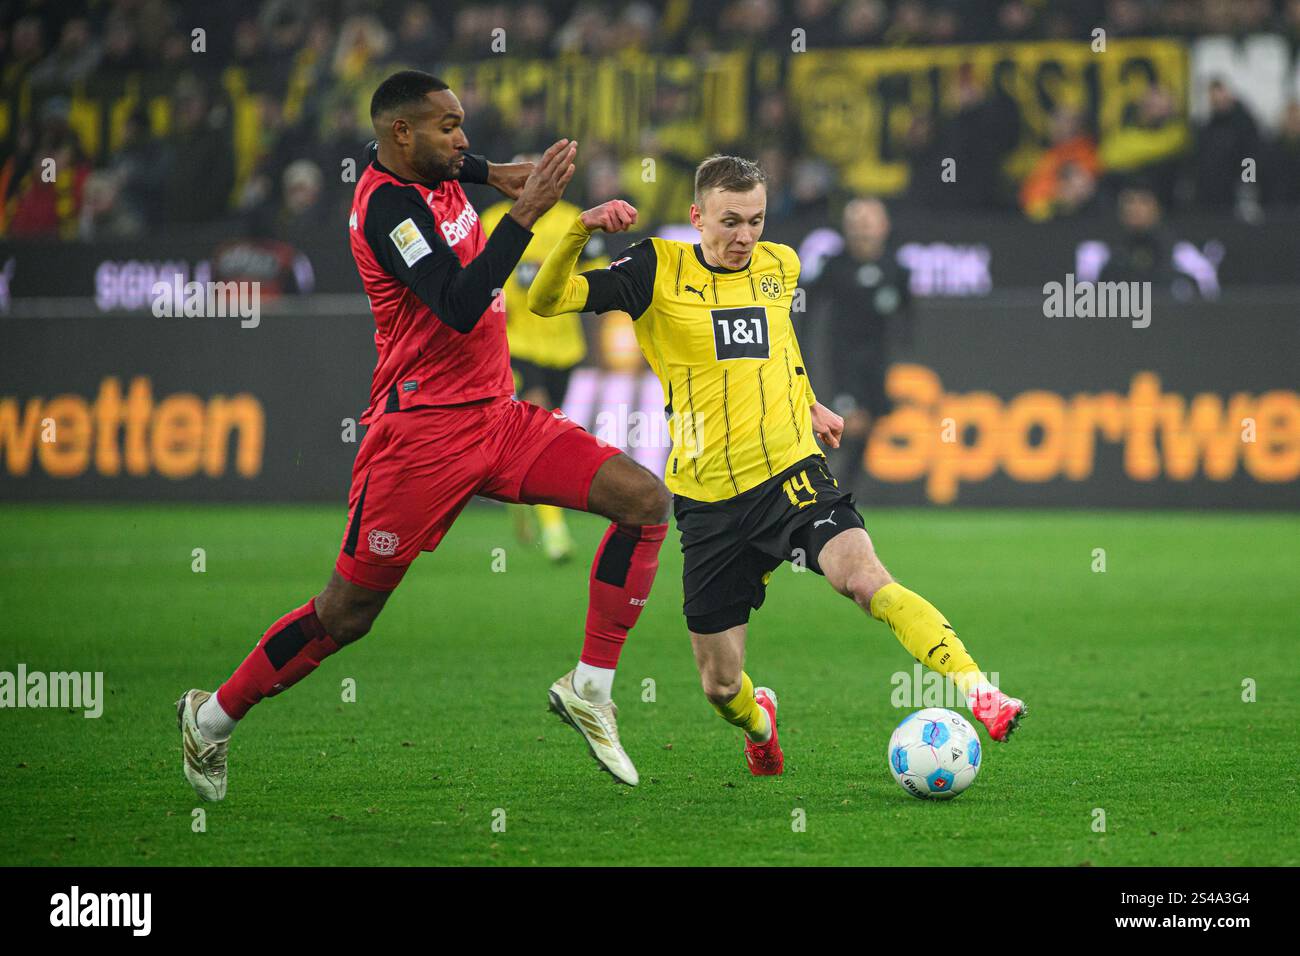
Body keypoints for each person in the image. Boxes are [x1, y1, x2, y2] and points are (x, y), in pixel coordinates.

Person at [178, 71, 671, 800]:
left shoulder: (435, 166)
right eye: (449, 126)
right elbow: (461, 302)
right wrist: (525, 212)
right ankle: (211, 719)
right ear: (402, 133)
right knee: (344, 616)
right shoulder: (388, 212)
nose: (464, 139)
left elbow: (464, 164)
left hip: (498, 417)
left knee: (644, 500)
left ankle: (589, 688)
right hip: (419, 439)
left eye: (463, 123)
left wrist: (493, 173)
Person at [528, 154, 1026, 776]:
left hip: (790, 472)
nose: (744, 237)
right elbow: (548, 301)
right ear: (697, 216)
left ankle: (983, 692)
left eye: (756, 220)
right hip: (706, 501)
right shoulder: (655, 267)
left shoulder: (779, 264)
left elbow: (779, 344)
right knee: (719, 684)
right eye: (730, 221)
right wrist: (580, 230)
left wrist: (809, 400)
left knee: (866, 581)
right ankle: (760, 723)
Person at [480, 167, 610, 562]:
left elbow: (597, 271)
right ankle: (555, 533)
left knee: (547, 424)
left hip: (563, 347)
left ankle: (511, 484)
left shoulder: (572, 219)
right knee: (539, 421)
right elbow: (478, 276)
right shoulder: (492, 222)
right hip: (517, 343)